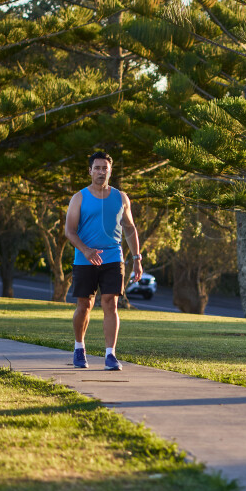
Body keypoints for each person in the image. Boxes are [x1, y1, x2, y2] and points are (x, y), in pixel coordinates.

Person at [64, 151, 142, 371]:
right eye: (96, 168)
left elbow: (129, 228)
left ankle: (110, 355)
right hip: (84, 259)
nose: (100, 172)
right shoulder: (79, 197)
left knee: (110, 302)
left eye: (104, 168)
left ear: (110, 171)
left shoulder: (121, 198)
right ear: (90, 171)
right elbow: (69, 231)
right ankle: (79, 348)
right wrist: (86, 250)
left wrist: (137, 258)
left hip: (112, 257)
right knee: (84, 305)